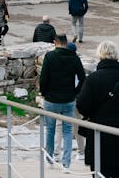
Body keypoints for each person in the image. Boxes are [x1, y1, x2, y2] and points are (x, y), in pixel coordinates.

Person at [39, 33, 86, 171]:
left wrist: (44, 93)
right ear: (66, 42)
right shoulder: (74, 58)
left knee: (51, 129)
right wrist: (75, 92)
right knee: (67, 131)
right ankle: (66, 163)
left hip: (51, 99)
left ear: (55, 42)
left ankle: (49, 157)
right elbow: (82, 78)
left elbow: (43, 78)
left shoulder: (50, 56)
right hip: (68, 99)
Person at [77, 40, 119, 178]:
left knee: (99, 172)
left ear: (100, 55)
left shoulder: (94, 78)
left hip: (99, 133)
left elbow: (82, 105)